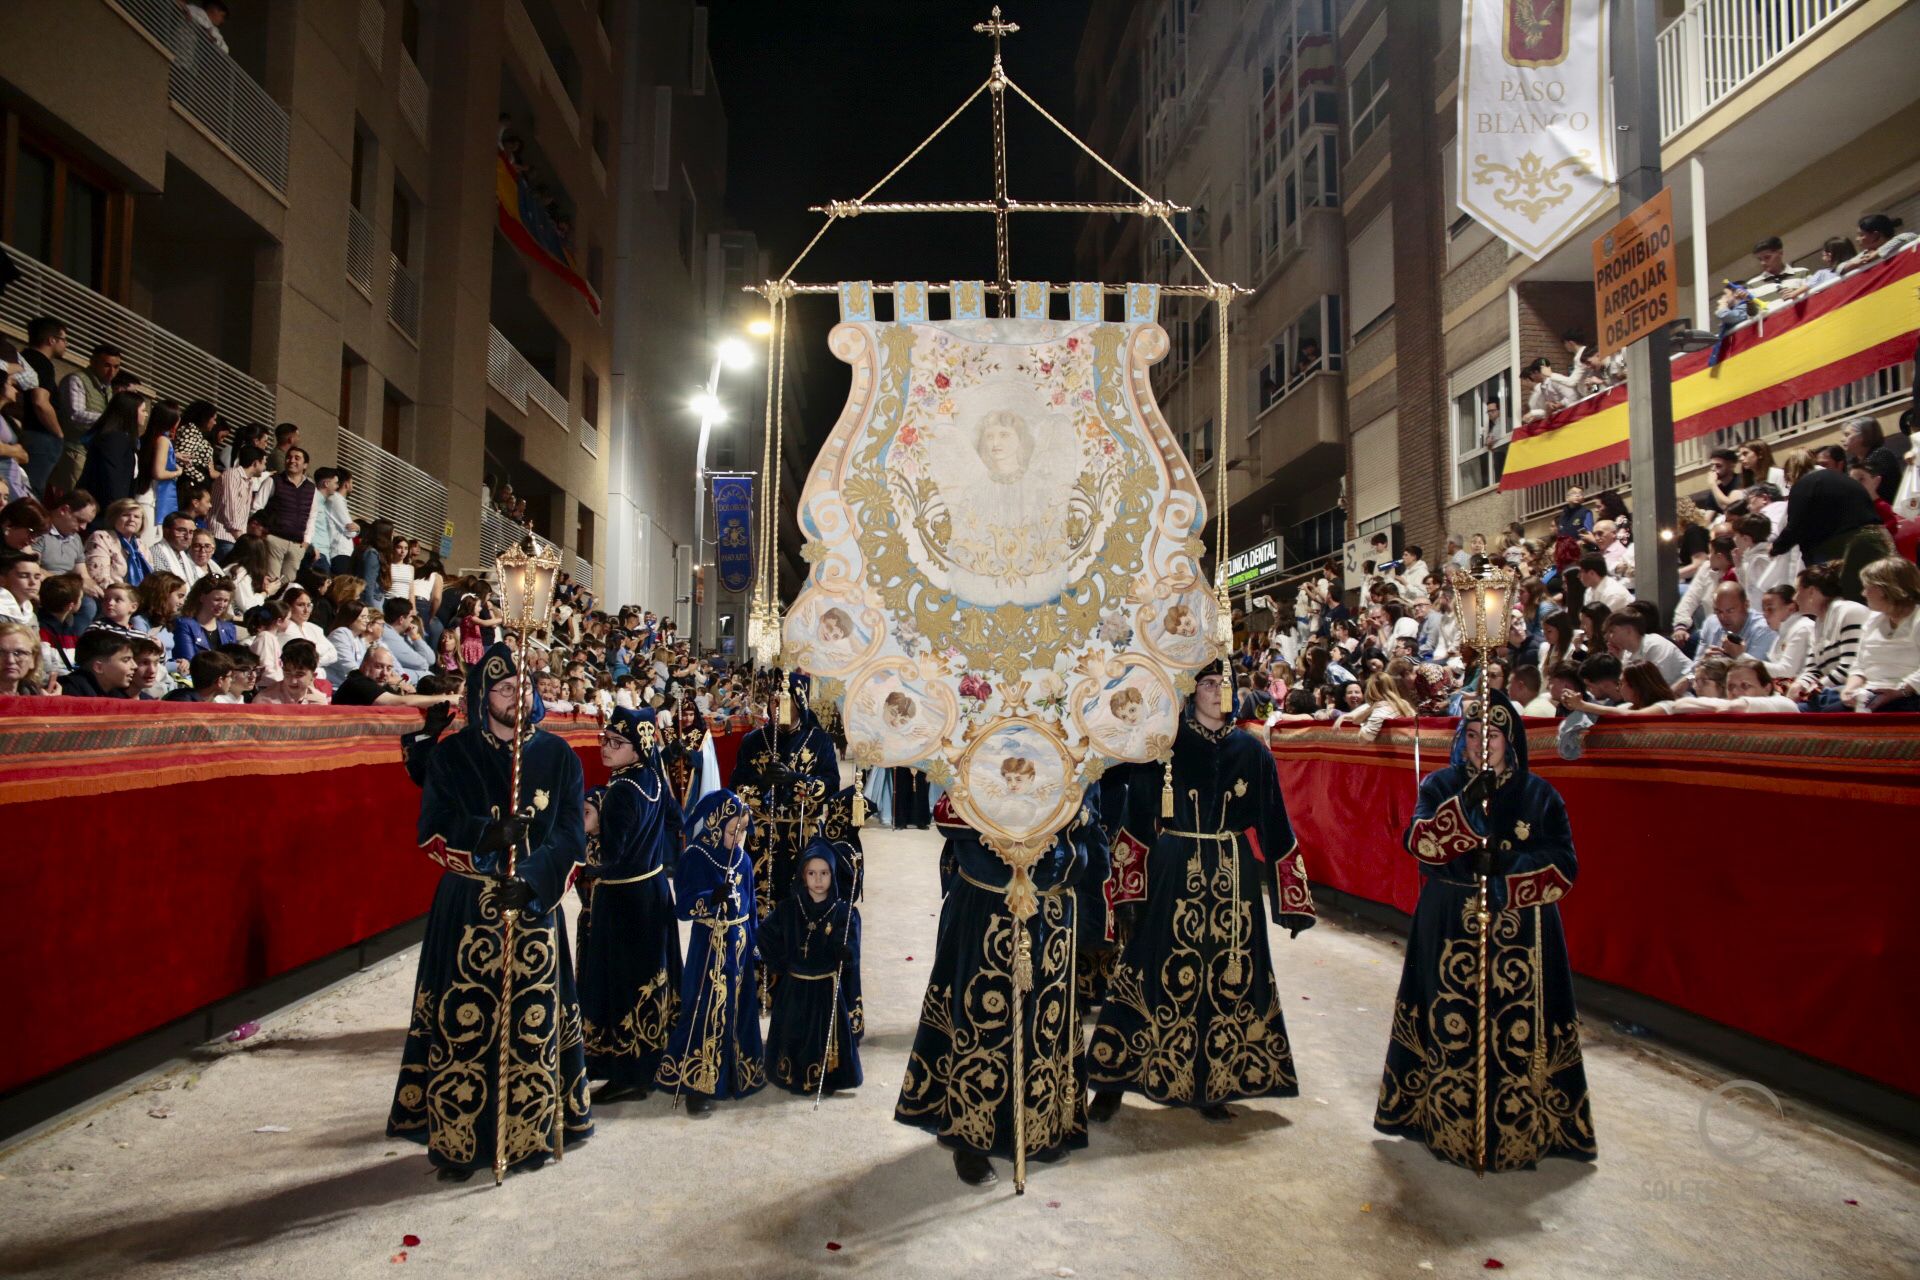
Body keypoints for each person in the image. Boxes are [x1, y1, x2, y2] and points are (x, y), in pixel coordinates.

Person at [388, 642, 591, 1179]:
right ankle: (458, 1141)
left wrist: (532, 880)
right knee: (464, 1024)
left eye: (524, 687)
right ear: (483, 696)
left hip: (531, 904)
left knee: (532, 1020)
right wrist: (483, 835)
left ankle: (529, 1135)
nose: (516, 696)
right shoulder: (453, 756)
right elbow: (429, 830)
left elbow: (572, 835)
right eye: (504, 688)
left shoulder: (558, 756)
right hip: (467, 904)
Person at [1375, 690, 1596, 1170]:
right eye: (1472, 735)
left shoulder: (1539, 795)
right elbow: (1418, 841)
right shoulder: (1440, 785)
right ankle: (1441, 1119)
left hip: (1521, 930)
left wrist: (1507, 871)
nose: (1481, 745)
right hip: (1450, 921)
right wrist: (1460, 812)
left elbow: (1564, 865)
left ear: (1510, 740)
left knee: (1516, 1028)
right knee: (1448, 1016)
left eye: (1491, 735)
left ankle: (1520, 1128)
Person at [1087, 660, 1315, 1124]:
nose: (1216, 691)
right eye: (1208, 684)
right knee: (1146, 971)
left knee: (1228, 980)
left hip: (1234, 882)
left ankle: (1214, 1084)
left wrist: (1292, 899)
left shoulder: (1253, 752)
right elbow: (1136, 822)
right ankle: (1114, 1080)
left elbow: (1275, 825)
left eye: (1223, 684)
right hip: (1172, 874)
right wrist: (1129, 892)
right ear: (1192, 691)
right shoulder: (1165, 747)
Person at [896, 794, 1101, 1185]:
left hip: (1053, 901)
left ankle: (1039, 1127)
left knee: (1046, 1019)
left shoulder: (1072, 736)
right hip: (987, 896)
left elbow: (1090, 812)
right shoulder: (979, 736)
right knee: (981, 1017)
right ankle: (970, 1139)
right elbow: (948, 812)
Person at [575, 709, 685, 1104]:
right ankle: (653, 1057)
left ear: (637, 749)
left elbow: (611, 856)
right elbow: (676, 819)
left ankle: (629, 1074)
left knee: (622, 981)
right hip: (653, 890)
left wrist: (587, 838)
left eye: (615, 743)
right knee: (651, 976)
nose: (605, 748)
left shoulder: (622, 791)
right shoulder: (653, 777)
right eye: (604, 739)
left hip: (623, 899)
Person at [656, 790, 765, 1117]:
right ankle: (696, 1080)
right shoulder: (695, 857)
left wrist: (755, 943)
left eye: (744, 831)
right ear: (717, 826)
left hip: (740, 943)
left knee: (738, 1005)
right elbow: (683, 908)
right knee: (705, 1006)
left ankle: (736, 1073)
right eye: (734, 831)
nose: (740, 838)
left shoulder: (743, 859)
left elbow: (752, 905)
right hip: (710, 945)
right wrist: (711, 897)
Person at [729, 671, 842, 926]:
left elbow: (831, 785)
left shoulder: (819, 741)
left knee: (803, 903)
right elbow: (736, 787)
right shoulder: (754, 741)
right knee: (759, 903)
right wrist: (761, 783)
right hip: (761, 840)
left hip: (803, 833)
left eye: (784, 701)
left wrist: (795, 780)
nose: (777, 707)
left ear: (799, 702)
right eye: (773, 701)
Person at [761, 838, 863, 1098]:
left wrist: (845, 952)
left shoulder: (843, 912)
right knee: (794, 1035)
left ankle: (827, 1077)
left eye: (824, 873)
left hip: (825, 990)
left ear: (832, 874)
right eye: (812, 873)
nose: (818, 880)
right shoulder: (789, 909)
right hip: (795, 987)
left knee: (822, 1040)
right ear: (803, 876)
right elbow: (765, 934)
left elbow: (852, 945)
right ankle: (790, 1073)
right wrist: (781, 961)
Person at [1839, 557, 1920, 712]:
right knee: (1831, 713)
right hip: (1871, 692)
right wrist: (1849, 689)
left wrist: (1900, 691)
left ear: (1884, 590)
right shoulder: (1872, 620)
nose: (1863, 593)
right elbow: (1860, 665)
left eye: (1867, 587)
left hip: (1909, 695)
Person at [74, 390, 148, 509]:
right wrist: (118, 510)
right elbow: (111, 477)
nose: (146, 414)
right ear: (130, 412)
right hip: (102, 509)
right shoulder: (114, 438)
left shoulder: (125, 438)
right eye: (143, 410)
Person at [258, 446, 318, 585]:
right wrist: (263, 533)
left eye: (297, 458)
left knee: (288, 585)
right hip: (274, 539)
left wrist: (306, 541)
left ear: (305, 465)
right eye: (289, 457)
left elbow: (312, 516)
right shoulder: (273, 481)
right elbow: (257, 507)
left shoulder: (311, 488)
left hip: (297, 544)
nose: (292, 460)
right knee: (272, 582)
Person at [332, 644, 455, 709]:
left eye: (389, 668)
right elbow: (401, 703)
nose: (385, 673)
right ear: (364, 666)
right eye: (379, 667)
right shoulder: (358, 683)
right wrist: (452, 699)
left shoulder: (381, 686)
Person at [60, 628, 137, 699]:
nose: (135, 666)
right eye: (126, 660)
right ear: (99, 667)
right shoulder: (69, 692)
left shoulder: (117, 694)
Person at [163, 650, 236, 703]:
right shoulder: (181, 702)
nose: (231, 680)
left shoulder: (210, 703)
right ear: (220, 681)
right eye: (229, 676)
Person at [0, 619, 45, 697]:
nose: (10, 660)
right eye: (1, 653)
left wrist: (50, 704)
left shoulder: (33, 694)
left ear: (32, 660)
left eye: (19, 653)